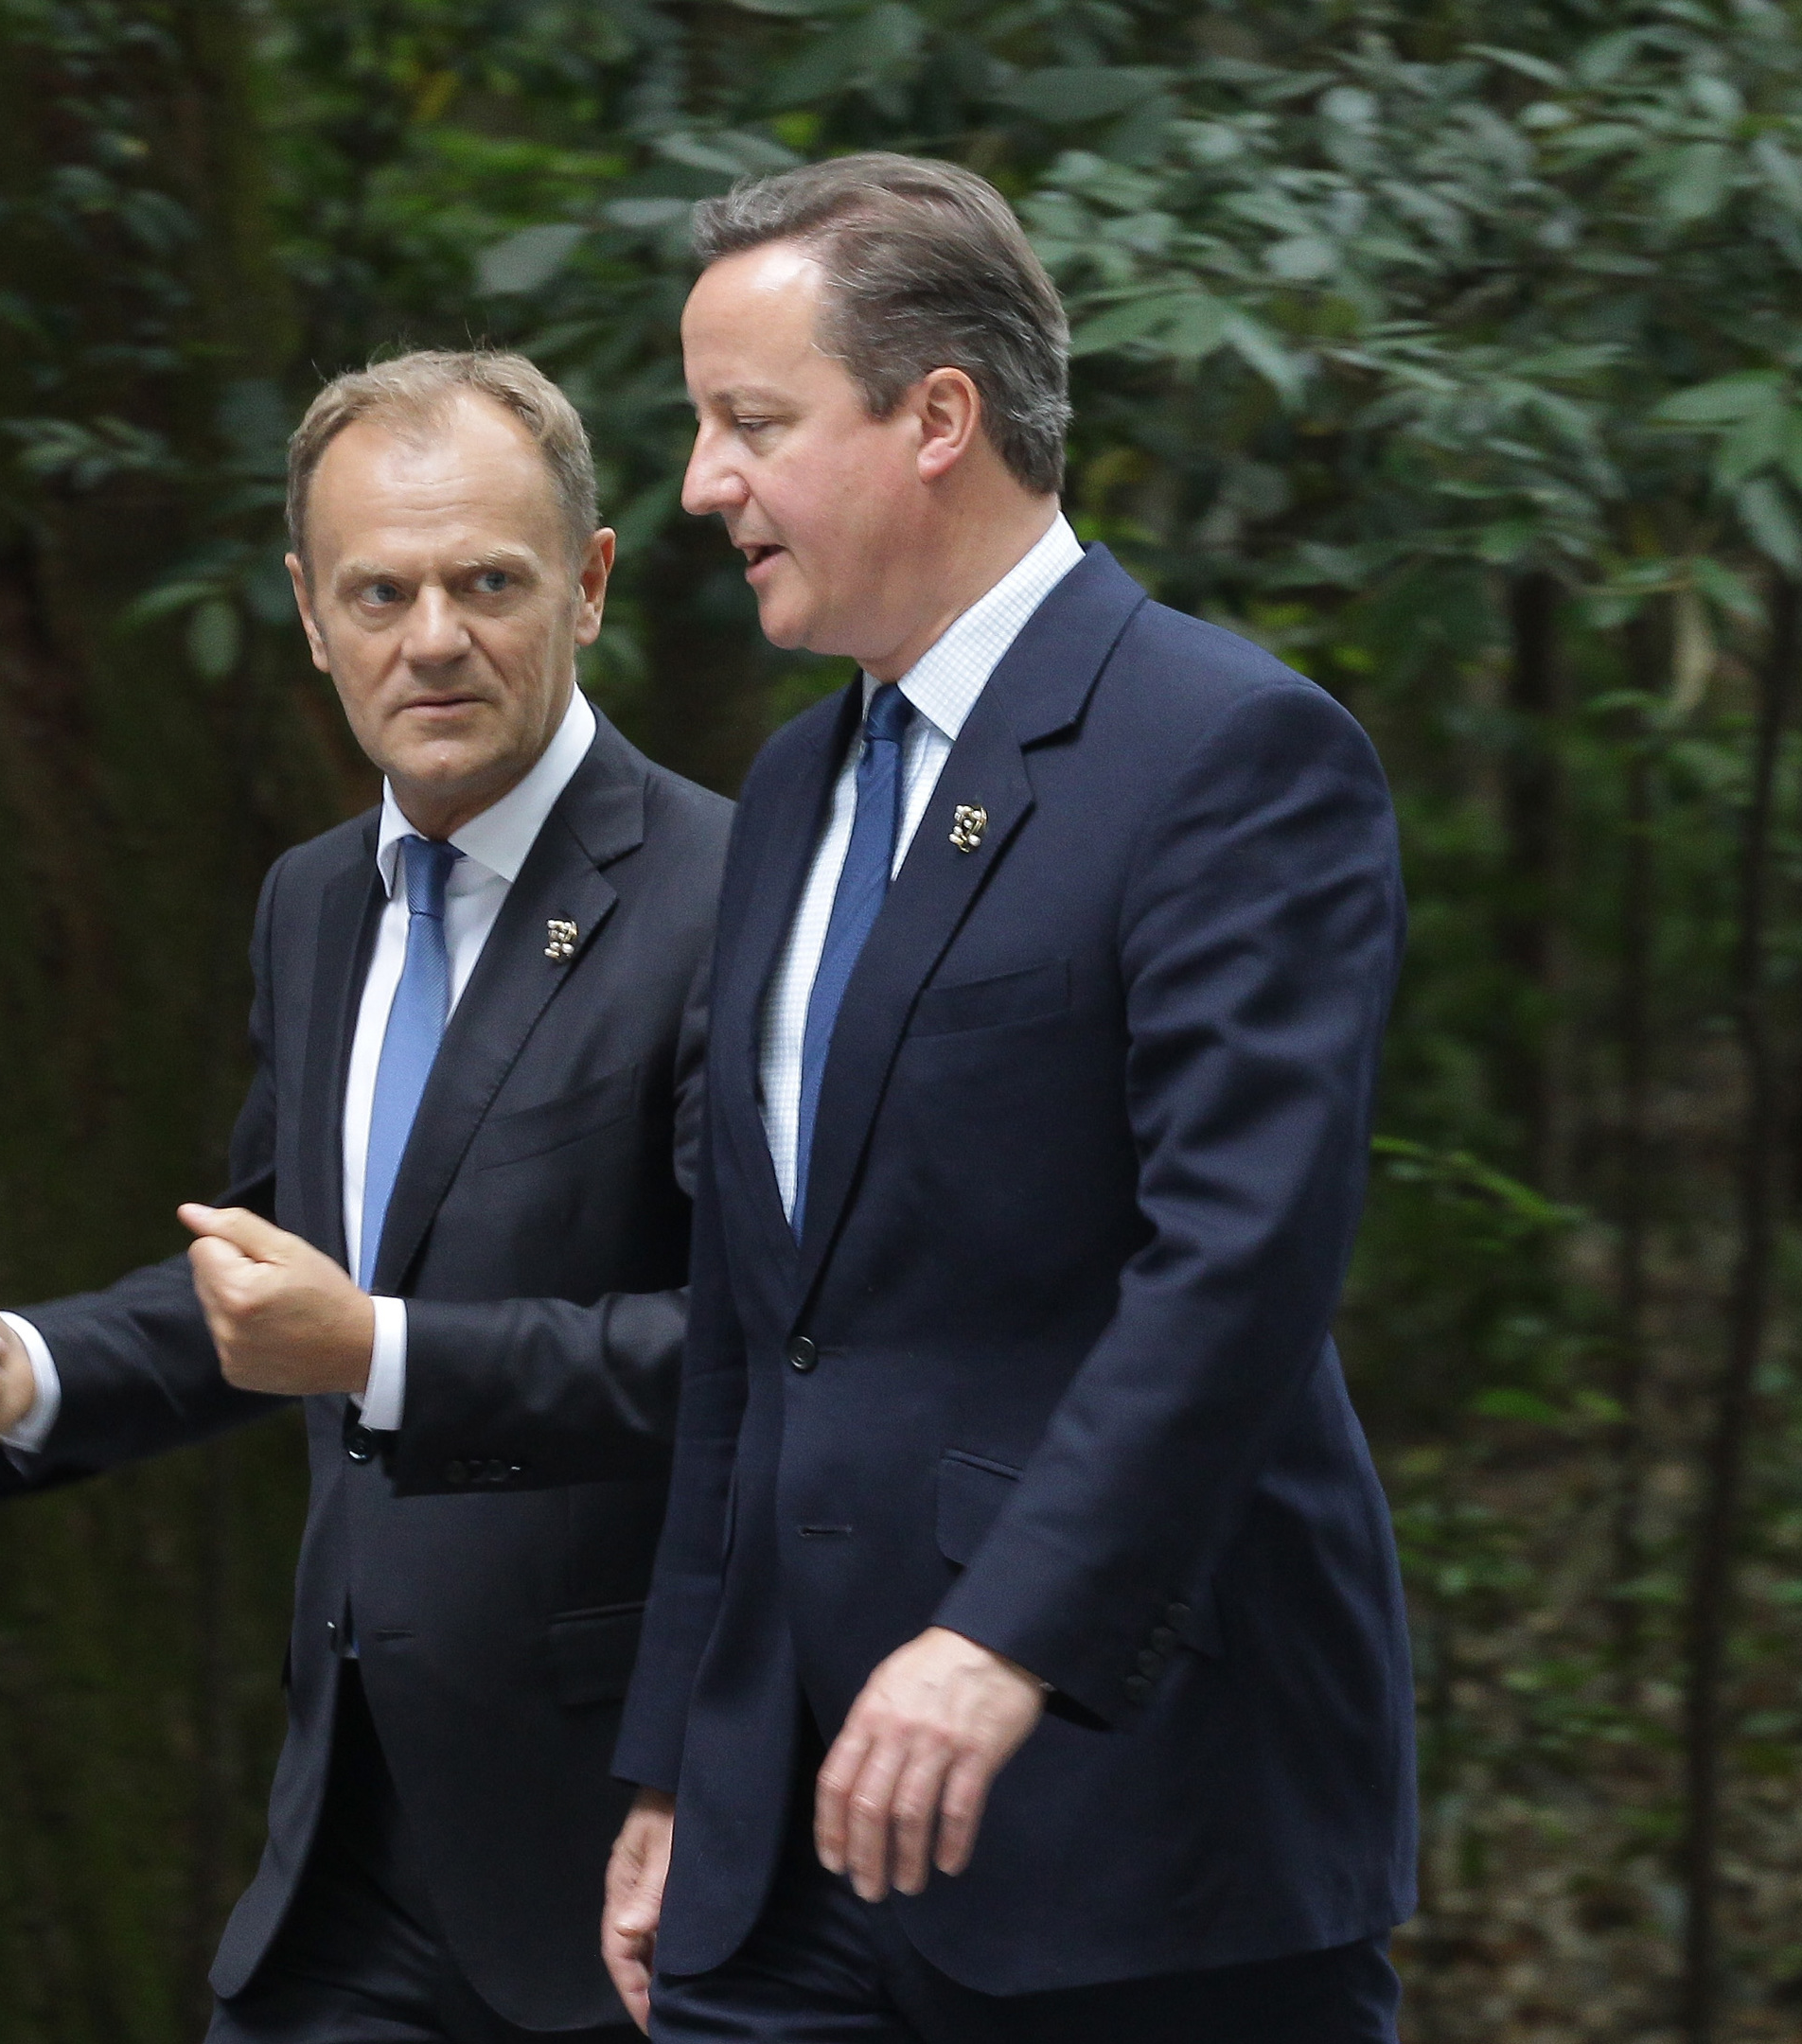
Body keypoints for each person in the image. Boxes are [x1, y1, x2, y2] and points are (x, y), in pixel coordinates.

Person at [597, 155, 1417, 2043]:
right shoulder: (796, 787)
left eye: (751, 424)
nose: (706, 484)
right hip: (783, 1851)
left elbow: (1236, 1269)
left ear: (936, 419)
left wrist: (1001, 1639)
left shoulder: (1232, 753)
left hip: (1134, 1834)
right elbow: (754, 1316)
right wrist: (673, 1766)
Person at [0, 349, 733, 2044]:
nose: (434, 638)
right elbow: (272, 1283)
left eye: (488, 583)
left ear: (592, 585)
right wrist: (23, 1366)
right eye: (379, 593)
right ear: (310, 617)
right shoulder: (315, 903)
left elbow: (746, 1366)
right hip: (350, 1843)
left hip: (623, 1847)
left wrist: (381, 1349)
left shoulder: (730, 898)